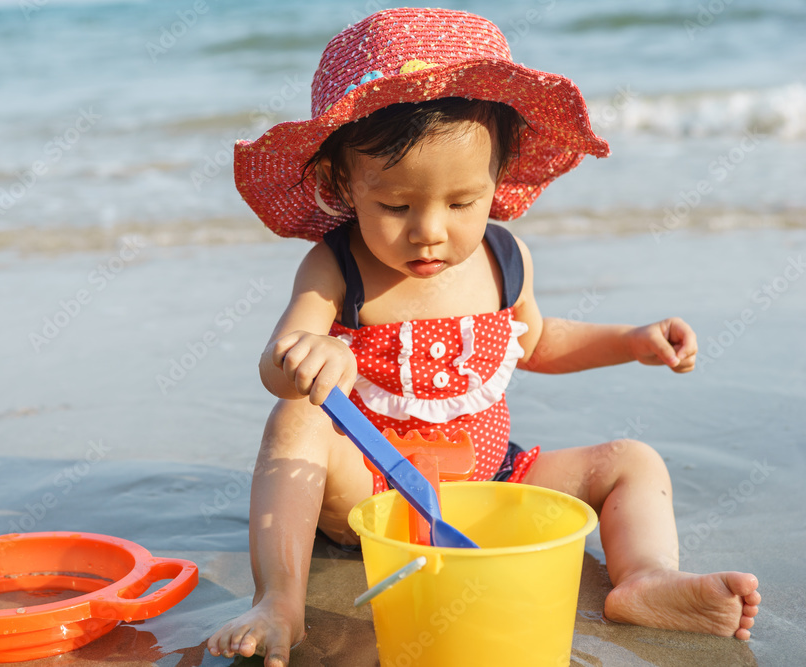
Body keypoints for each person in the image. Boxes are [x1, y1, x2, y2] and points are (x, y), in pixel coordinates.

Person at [208, 8, 760, 666]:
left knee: (632, 460)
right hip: (376, 494)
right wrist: (308, 356)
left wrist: (630, 339)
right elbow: (277, 363)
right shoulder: (338, 267)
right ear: (340, 180)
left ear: (500, 178)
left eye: (461, 202)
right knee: (293, 419)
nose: (429, 231)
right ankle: (281, 601)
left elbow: (538, 341)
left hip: (492, 477)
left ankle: (645, 576)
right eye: (396, 205)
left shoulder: (503, 259)